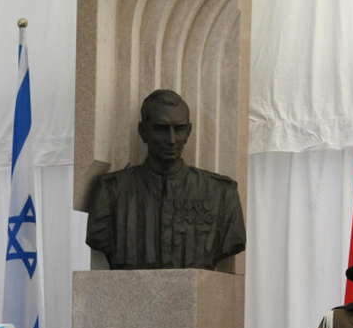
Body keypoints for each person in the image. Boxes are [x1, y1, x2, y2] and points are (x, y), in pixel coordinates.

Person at [86, 89, 246, 270]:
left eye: (179, 129)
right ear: (143, 131)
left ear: (189, 132)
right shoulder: (111, 191)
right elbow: (99, 237)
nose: (171, 139)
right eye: (161, 129)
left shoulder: (221, 193)